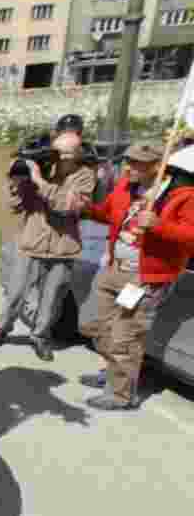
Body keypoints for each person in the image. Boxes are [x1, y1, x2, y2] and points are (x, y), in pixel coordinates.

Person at [78, 141, 194, 411]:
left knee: (126, 335)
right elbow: (108, 214)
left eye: (136, 164)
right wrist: (86, 209)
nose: (128, 168)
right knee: (97, 326)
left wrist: (159, 225)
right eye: (127, 162)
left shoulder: (184, 195)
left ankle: (120, 394)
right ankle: (113, 373)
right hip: (114, 268)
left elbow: (190, 235)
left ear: (157, 166)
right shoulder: (125, 186)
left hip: (144, 278)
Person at [0, 115, 96, 361]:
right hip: (31, 240)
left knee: (52, 297)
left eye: (68, 154)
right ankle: (3, 327)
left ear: (78, 153)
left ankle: (40, 336)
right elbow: (15, 206)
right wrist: (18, 182)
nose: (61, 158)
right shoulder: (43, 165)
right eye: (59, 152)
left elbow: (66, 205)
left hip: (62, 246)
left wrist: (39, 181)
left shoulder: (85, 175)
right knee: (15, 291)